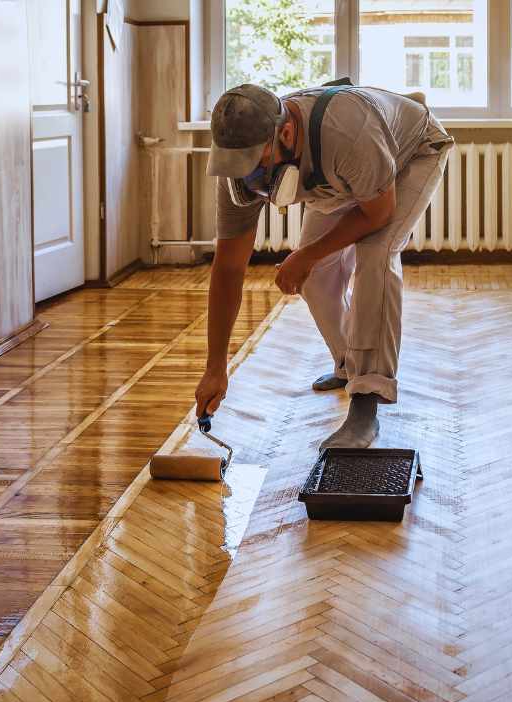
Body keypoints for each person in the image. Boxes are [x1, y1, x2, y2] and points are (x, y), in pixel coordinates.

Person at [194, 80, 453, 449]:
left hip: (411, 152)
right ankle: (349, 365)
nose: (250, 177)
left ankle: (367, 401)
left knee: (376, 253)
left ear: (285, 132)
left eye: (257, 162)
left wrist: (307, 253)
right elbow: (228, 269)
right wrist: (215, 366)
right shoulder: (236, 166)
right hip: (341, 171)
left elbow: (377, 214)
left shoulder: (347, 130)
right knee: (314, 277)